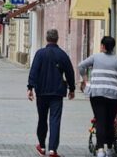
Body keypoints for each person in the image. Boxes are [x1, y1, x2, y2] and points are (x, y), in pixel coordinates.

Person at [27, 29, 76, 157]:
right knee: (55, 120)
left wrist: (30, 88)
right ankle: (53, 150)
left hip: (42, 92)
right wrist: (72, 89)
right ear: (57, 39)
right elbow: (70, 73)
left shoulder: (40, 54)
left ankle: (42, 146)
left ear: (46, 38)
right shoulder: (62, 54)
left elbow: (34, 71)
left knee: (42, 119)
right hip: (57, 93)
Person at [78, 36, 117, 157]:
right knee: (110, 121)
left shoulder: (95, 57)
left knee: (100, 121)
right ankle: (110, 147)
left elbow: (81, 66)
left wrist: (86, 81)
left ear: (103, 46)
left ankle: (100, 149)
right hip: (113, 96)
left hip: (97, 94)